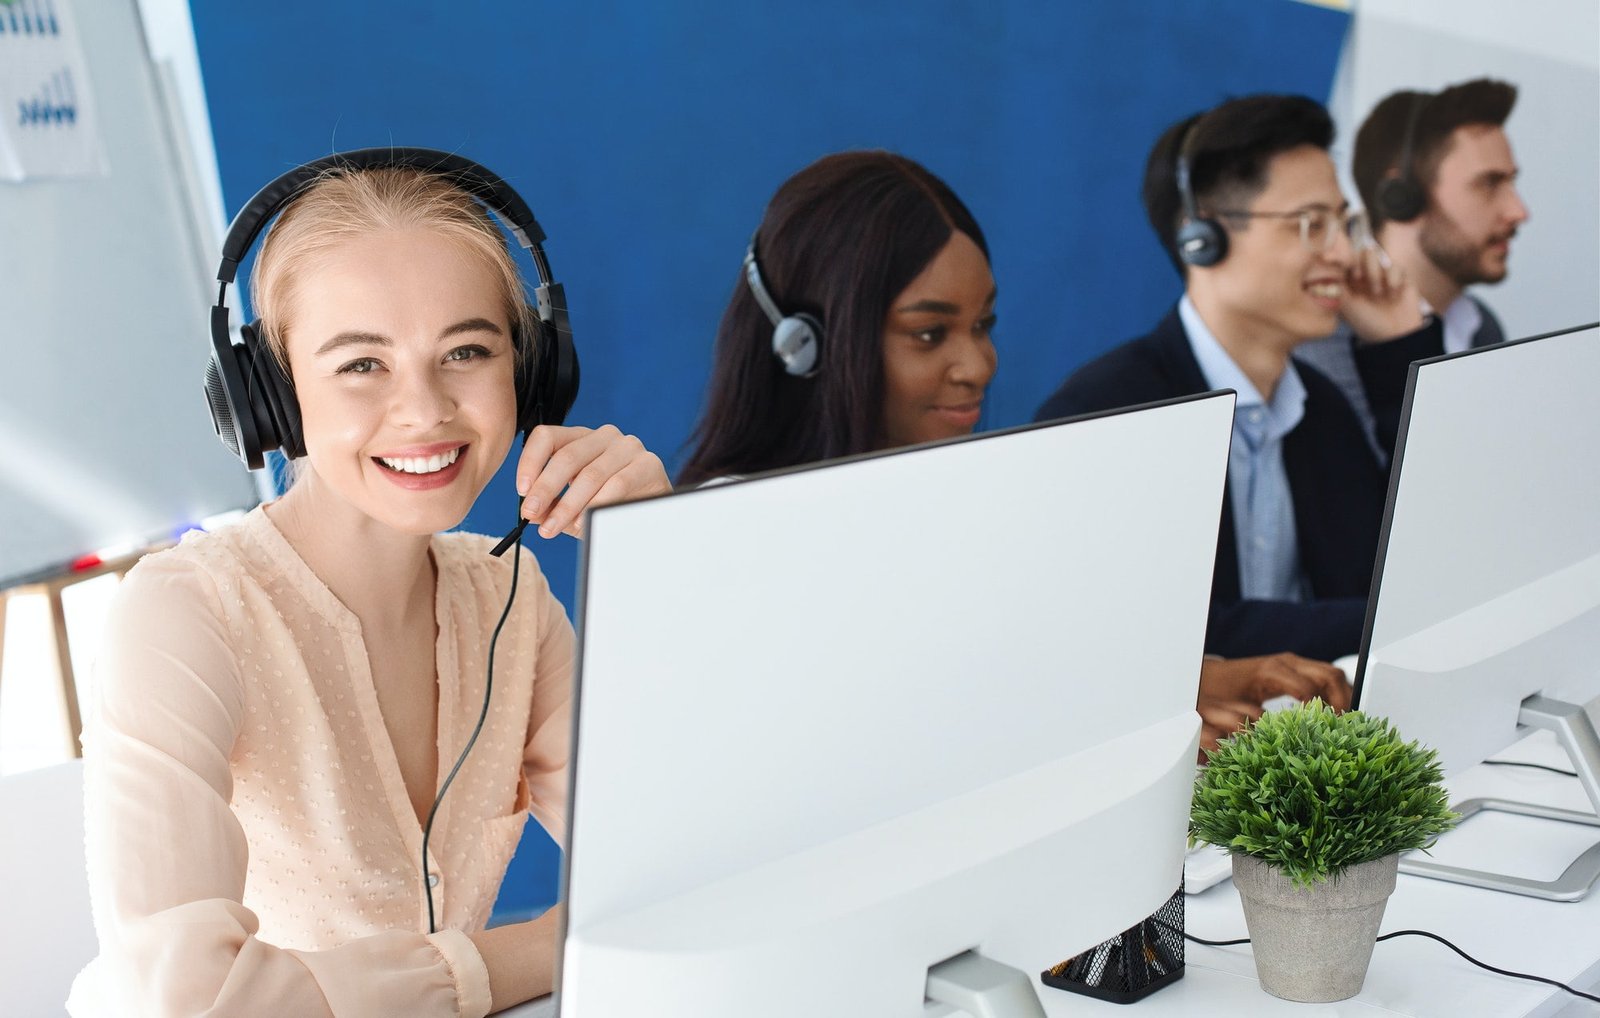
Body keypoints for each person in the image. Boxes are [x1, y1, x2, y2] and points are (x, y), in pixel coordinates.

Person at [69, 157, 671, 1016]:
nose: (425, 409)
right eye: (361, 364)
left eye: (466, 350)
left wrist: (659, 567)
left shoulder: (509, 598)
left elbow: (678, 860)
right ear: (270, 397)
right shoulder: (187, 613)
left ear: (530, 374)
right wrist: (534, 951)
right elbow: (187, 1000)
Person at [679, 150, 1349, 753]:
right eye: (929, 333)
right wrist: (1129, 714)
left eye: (982, 325)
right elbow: (903, 735)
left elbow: (1025, 666)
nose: (978, 363)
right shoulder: (738, 536)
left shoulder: (953, 501)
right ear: (809, 346)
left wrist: (1192, 677)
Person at [1034, 95, 1439, 662]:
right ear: (1201, 237)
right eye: (1310, 224)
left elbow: (1425, 577)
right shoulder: (1107, 413)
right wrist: (1384, 620)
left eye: (1343, 223)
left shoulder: (1324, 415)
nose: (1345, 253)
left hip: (1313, 744)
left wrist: (1400, 352)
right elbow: (1153, 640)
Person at [1297, 78, 1529, 458]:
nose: (1519, 211)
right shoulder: (1323, 334)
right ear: (1402, 195)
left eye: (1511, 183)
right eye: (1490, 184)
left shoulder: (1481, 325)